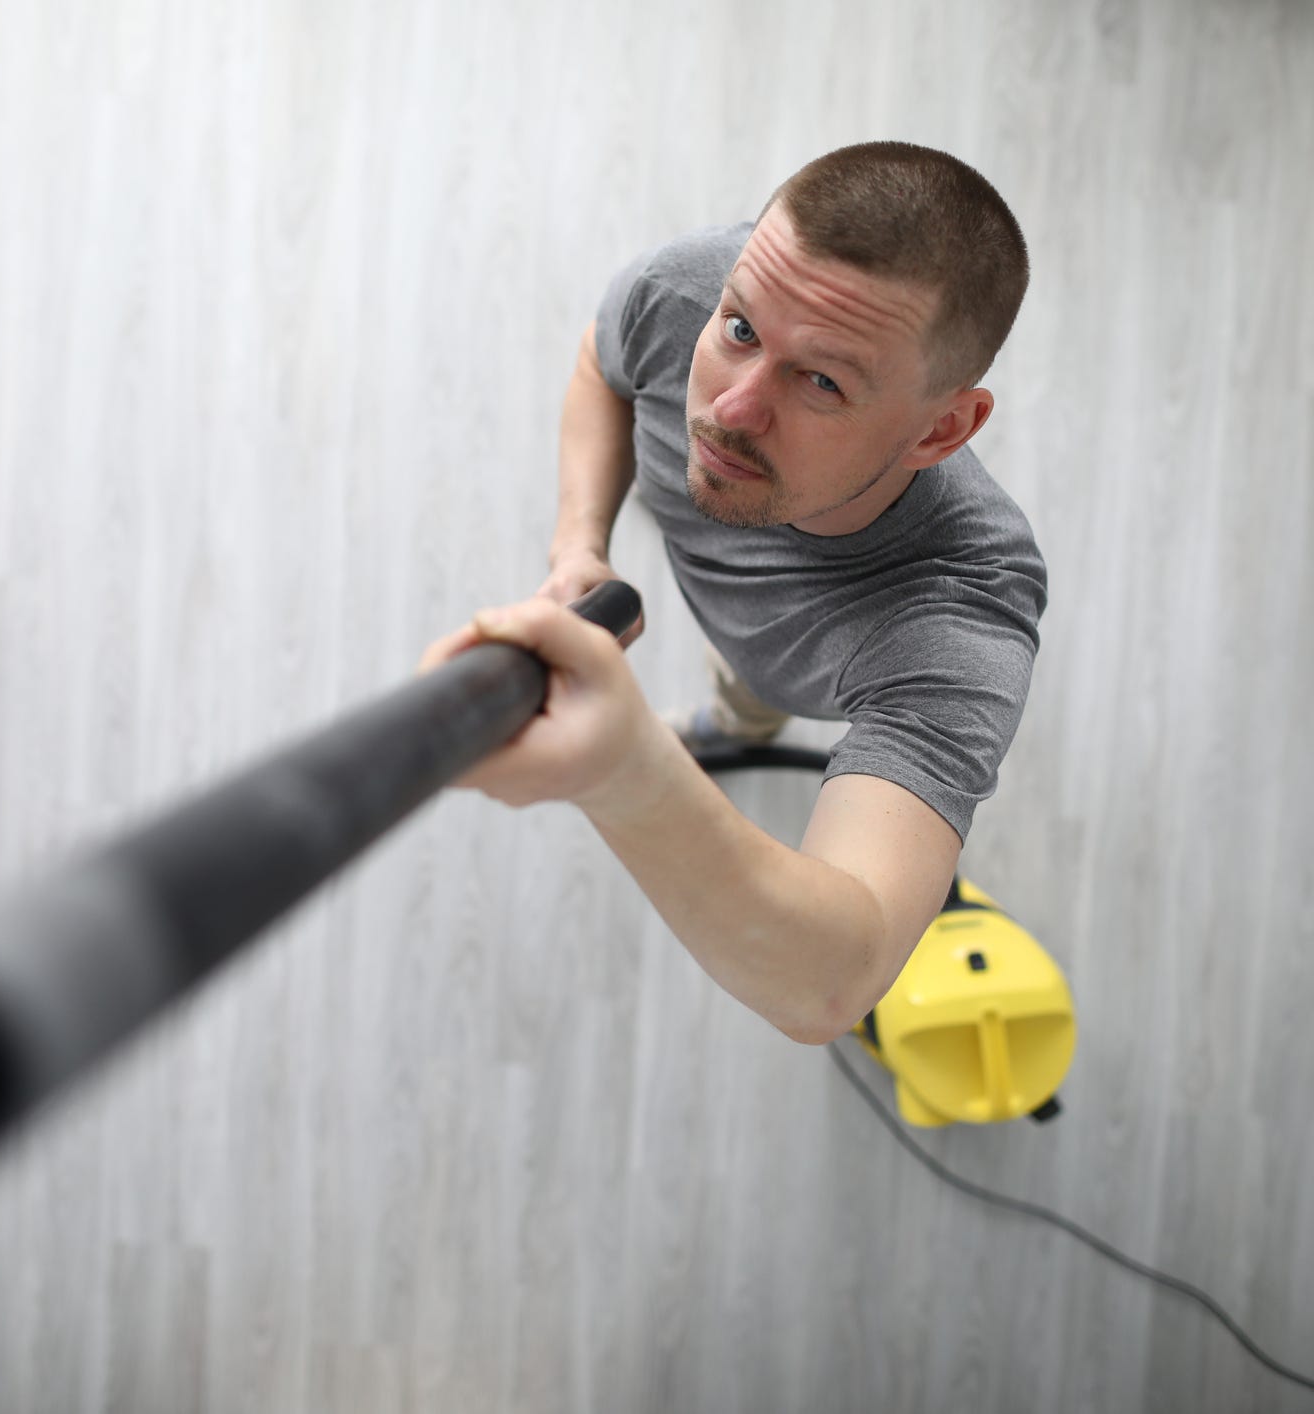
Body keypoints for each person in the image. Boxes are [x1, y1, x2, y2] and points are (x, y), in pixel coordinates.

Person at [419, 141, 1047, 1046]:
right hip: (739, 624)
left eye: (821, 381)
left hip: (809, 670)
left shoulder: (959, 614)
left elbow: (831, 985)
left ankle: (738, 717)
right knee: (737, 684)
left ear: (941, 428)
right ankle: (731, 721)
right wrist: (576, 550)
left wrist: (622, 768)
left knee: (757, 683)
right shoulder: (689, 291)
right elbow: (601, 368)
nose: (729, 411)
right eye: (741, 332)